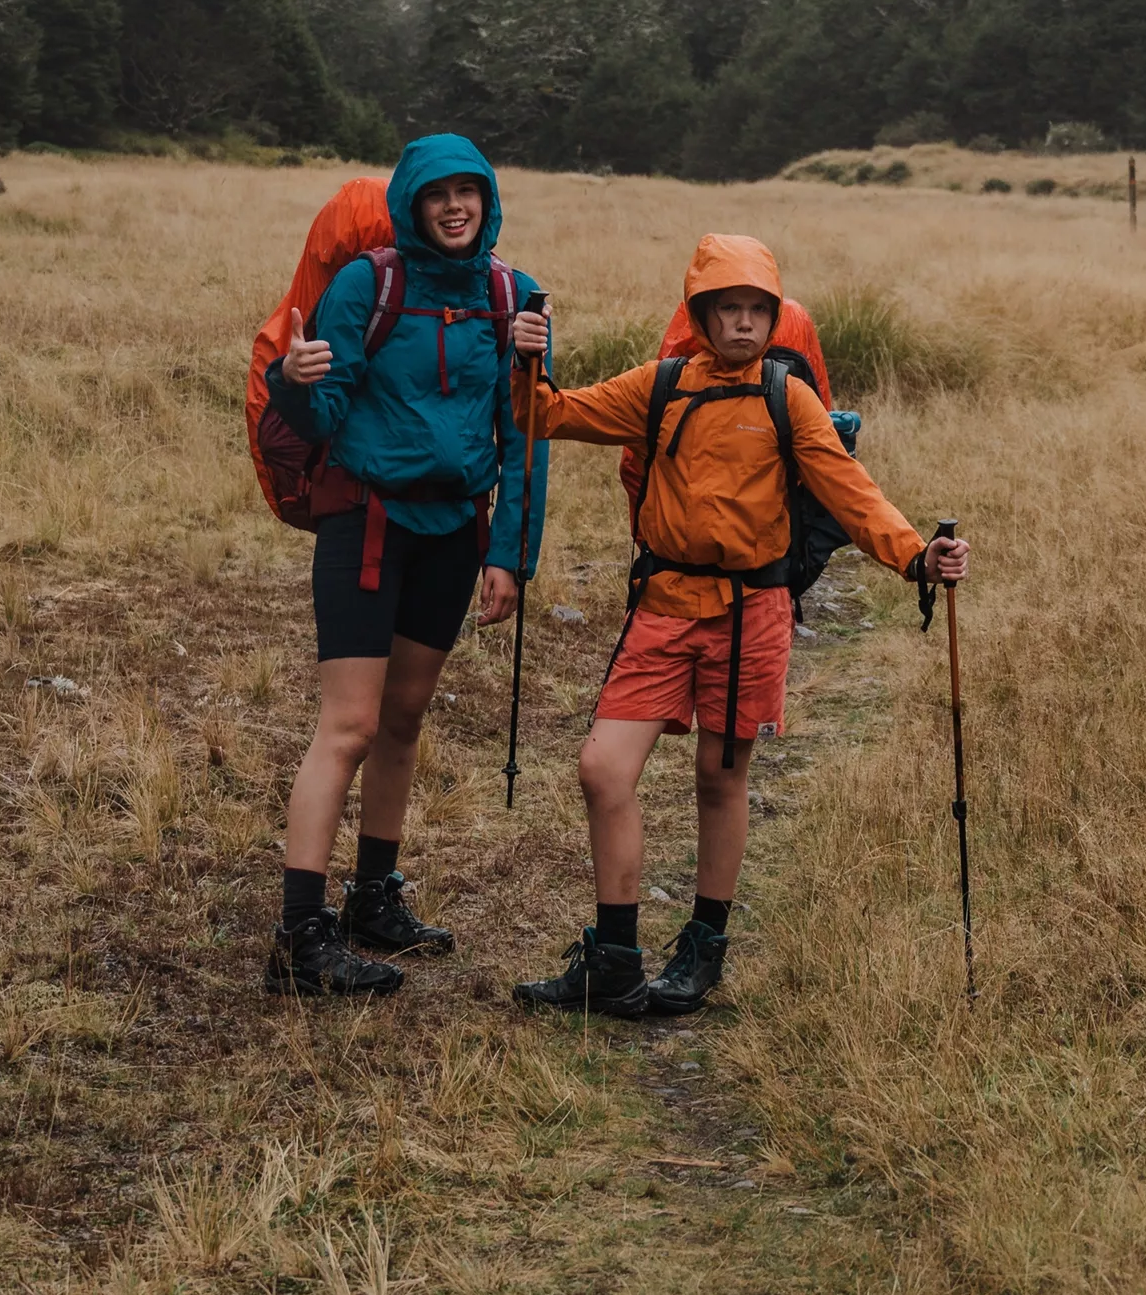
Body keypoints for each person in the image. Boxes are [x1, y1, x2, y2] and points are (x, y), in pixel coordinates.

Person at [504, 235, 966, 1017]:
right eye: (730, 309)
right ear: (702, 315)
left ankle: (702, 950)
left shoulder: (789, 398)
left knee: (721, 779)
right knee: (603, 769)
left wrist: (916, 557)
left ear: (774, 318)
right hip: (664, 607)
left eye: (759, 309)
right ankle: (615, 960)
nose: (746, 324)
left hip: (753, 613)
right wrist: (527, 360)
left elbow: (850, 492)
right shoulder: (660, 386)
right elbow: (543, 417)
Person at [263, 136, 548, 997]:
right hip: (368, 523)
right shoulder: (369, 283)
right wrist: (295, 379)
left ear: (487, 201)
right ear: (412, 203)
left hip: (457, 533)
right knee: (348, 725)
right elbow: (320, 418)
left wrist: (511, 553)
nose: (455, 207)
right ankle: (299, 940)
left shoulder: (512, 296)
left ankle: (373, 898)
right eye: (439, 195)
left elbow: (524, 435)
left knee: (405, 717)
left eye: (470, 192)